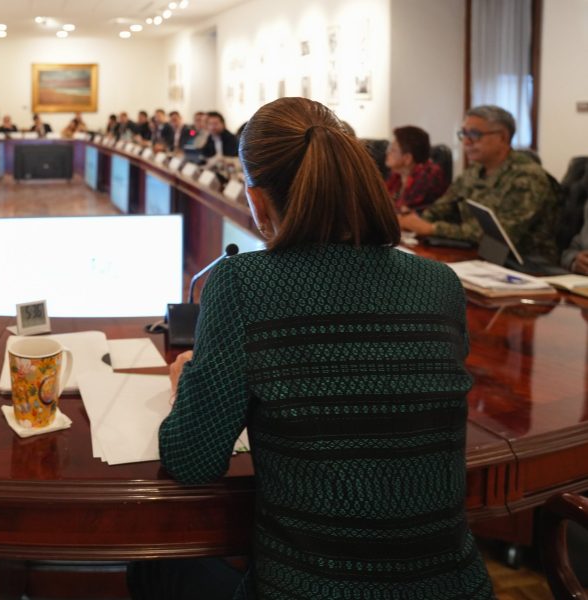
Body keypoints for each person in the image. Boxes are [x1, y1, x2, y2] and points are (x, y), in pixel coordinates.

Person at [129, 97, 494, 599]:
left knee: (149, 563)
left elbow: (192, 461)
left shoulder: (242, 285)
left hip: (311, 588)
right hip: (455, 587)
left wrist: (186, 382)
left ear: (256, 200)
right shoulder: (439, 283)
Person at [398, 105, 558, 263]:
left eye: (474, 134)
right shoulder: (474, 171)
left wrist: (432, 229)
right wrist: (415, 222)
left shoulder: (527, 176)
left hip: (527, 265)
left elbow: (499, 234)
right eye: (463, 134)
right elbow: (442, 207)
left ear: (502, 137)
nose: (466, 141)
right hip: (478, 256)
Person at [384, 125, 448, 211]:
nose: (388, 152)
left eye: (393, 150)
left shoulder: (428, 176)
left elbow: (405, 213)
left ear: (407, 158)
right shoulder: (397, 177)